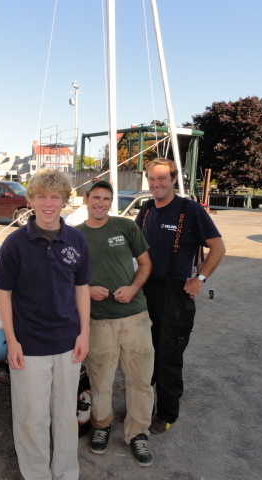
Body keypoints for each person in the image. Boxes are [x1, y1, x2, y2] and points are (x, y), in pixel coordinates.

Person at [0, 169, 91, 480]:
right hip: (29, 344)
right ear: (30, 200)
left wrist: (84, 333)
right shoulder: (15, 243)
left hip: (68, 342)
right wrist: (12, 340)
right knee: (32, 417)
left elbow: (81, 289)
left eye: (55, 197)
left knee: (65, 415)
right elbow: (4, 293)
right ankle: (36, 475)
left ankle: (66, 474)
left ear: (64, 200)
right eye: (41, 197)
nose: (48, 203)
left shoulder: (76, 239)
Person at [134, 158, 226, 434]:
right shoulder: (147, 209)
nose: (156, 184)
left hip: (175, 294)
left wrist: (199, 279)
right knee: (144, 353)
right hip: (146, 290)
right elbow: (135, 246)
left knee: (168, 356)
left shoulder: (190, 209)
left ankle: (166, 413)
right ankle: (143, 406)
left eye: (162, 178)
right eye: (151, 178)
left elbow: (218, 248)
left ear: (174, 179)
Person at [75, 179, 155, 467]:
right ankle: (101, 426)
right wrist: (87, 289)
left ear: (111, 201)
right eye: (96, 197)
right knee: (100, 381)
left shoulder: (126, 227)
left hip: (135, 317)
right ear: (86, 199)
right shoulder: (75, 235)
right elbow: (68, 277)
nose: (101, 203)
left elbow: (145, 264)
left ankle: (138, 433)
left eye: (106, 198)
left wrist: (133, 288)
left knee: (140, 380)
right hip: (99, 321)